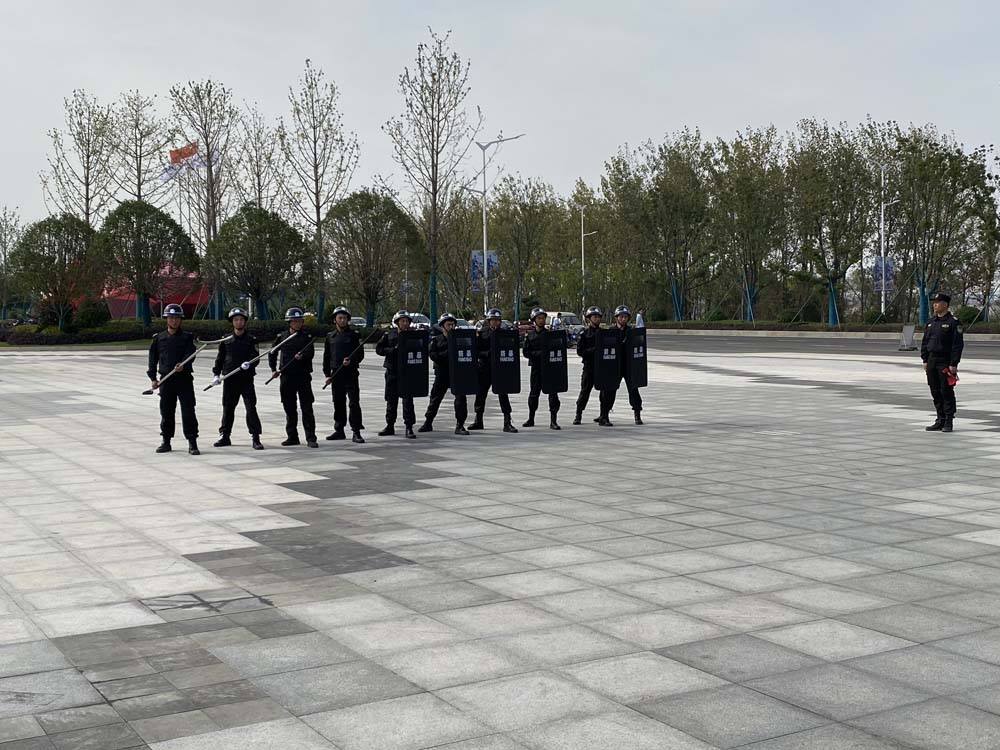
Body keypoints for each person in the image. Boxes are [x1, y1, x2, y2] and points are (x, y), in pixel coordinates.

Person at [147, 303, 200, 455]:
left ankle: (192, 442)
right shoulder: (159, 338)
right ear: (166, 319)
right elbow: (152, 359)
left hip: (184, 380)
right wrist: (153, 378)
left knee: (188, 412)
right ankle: (166, 441)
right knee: (166, 412)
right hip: (166, 381)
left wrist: (183, 364)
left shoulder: (187, 337)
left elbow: (191, 354)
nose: (174, 321)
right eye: (171, 318)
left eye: (177, 318)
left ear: (181, 319)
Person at [211, 307, 263, 450]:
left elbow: (256, 357)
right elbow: (220, 358)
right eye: (236, 320)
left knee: (251, 408)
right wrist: (216, 374)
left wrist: (250, 363)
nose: (239, 322)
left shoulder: (252, 339)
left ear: (245, 322)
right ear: (232, 322)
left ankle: (256, 437)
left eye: (241, 320)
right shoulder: (226, 339)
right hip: (230, 379)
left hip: (246, 379)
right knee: (228, 408)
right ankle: (225, 436)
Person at [269, 307, 317, 448]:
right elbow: (272, 352)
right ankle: (292, 436)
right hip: (287, 376)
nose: (297, 324)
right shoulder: (282, 337)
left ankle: (311, 437)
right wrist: (273, 369)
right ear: (289, 322)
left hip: (303, 377)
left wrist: (303, 356)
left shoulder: (307, 337)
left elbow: (310, 353)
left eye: (299, 321)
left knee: (307, 408)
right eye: (294, 321)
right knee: (289, 408)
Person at [420, 313, 470, 435]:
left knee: (460, 399)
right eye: (448, 324)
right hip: (442, 374)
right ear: (442, 326)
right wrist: (449, 352)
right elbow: (433, 355)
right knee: (435, 399)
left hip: (457, 373)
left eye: (453, 324)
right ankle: (428, 422)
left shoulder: (460, 339)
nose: (451, 327)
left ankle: (460, 425)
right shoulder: (436, 340)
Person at [921, 292, 964, 433]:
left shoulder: (953, 322)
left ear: (945, 305)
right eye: (934, 302)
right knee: (935, 390)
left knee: (946, 391)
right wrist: (925, 359)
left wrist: (954, 363)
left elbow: (957, 345)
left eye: (937, 302)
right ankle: (940, 419)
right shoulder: (931, 322)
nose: (935, 305)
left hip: (945, 361)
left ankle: (948, 420)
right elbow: (925, 342)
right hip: (932, 361)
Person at [470, 308, 517, 433]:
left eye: (498, 320)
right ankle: (478, 420)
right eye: (493, 320)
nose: (496, 322)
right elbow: (476, 351)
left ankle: (507, 422)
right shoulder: (482, 334)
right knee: (480, 394)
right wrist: (488, 354)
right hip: (485, 368)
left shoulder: (504, 334)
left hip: (500, 369)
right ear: (489, 321)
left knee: (503, 395)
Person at [323, 306, 365, 444]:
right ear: (334, 320)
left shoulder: (354, 335)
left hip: (351, 373)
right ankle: (339, 430)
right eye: (340, 318)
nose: (342, 320)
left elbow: (360, 354)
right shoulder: (330, 336)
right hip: (336, 374)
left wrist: (351, 360)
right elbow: (327, 357)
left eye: (345, 318)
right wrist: (327, 374)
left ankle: (356, 431)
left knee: (354, 403)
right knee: (338, 402)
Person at [598, 305, 643, 427]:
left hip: (628, 366)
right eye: (621, 317)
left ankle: (637, 414)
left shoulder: (631, 332)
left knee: (634, 391)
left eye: (625, 317)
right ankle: (604, 416)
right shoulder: (610, 332)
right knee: (609, 391)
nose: (623, 319)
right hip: (614, 366)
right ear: (616, 318)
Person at [377, 311, 417, 439]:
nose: (405, 323)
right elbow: (379, 349)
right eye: (402, 321)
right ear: (397, 322)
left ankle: (409, 427)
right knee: (391, 400)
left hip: (407, 372)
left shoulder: (413, 335)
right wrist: (392, 350)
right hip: (392, 371)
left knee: (408, 401)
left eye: (407, 321)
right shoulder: (389, 335)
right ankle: (390, 425)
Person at [522, 307, 561, 430]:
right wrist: (539, 354)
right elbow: (526, 352)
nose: (542, 320)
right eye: (539, 318)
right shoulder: (530, 336)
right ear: (534, 320)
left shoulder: (549, 335)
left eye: (543, 318)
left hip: (549, 369)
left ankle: (553, 421)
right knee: (534, 394)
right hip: (536, 368)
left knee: (553, 394)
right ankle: (531, 418)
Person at [573, 306, 603, 425]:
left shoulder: (604, 333)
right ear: (589, 319)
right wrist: (595, 350)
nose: (597, 319)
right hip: (589, 367)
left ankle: (603, 414)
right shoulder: (584, 334)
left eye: (598, 317)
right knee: (585, 391)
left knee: (604, 392)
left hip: (602, 367)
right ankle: (578, 414)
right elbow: (580, 351)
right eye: (594, 317)